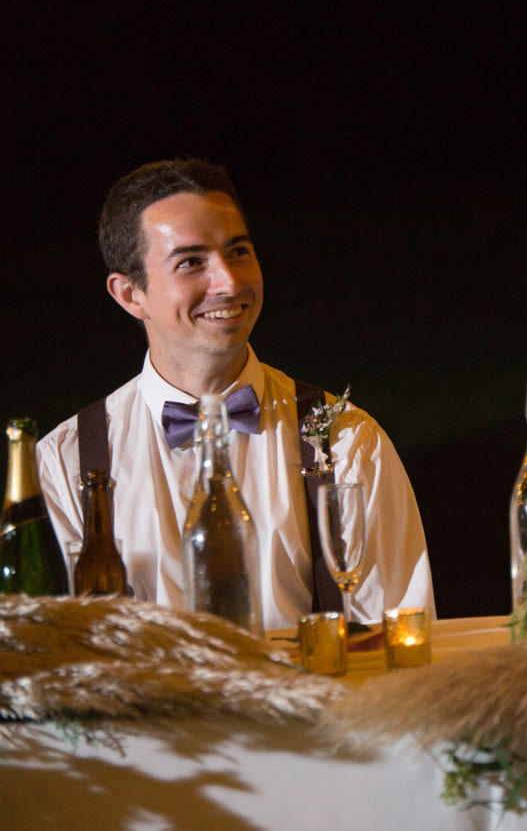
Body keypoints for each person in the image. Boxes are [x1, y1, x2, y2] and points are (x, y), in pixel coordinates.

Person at [37, 159, 434, 629]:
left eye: (239, 251)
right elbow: (58, 656)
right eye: (190, 262)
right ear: (129, 295)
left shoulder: (346, 440)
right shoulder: (69, 461)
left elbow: (400, 634)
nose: (228, 283)